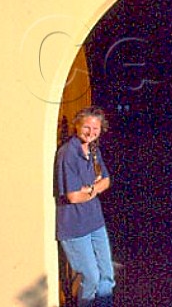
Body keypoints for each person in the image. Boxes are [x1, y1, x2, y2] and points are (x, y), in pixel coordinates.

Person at [55, 106, 115, 307]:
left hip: (95, 222)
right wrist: (94, 189)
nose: (91, 132)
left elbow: (106, 181)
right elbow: (73, 197)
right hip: (75, 227)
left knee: (107, 275)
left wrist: (90, 190)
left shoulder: (93, 150)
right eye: (86, 127)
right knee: (91, 278)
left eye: (95, 128)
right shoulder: (67, 154)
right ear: (76, 126)